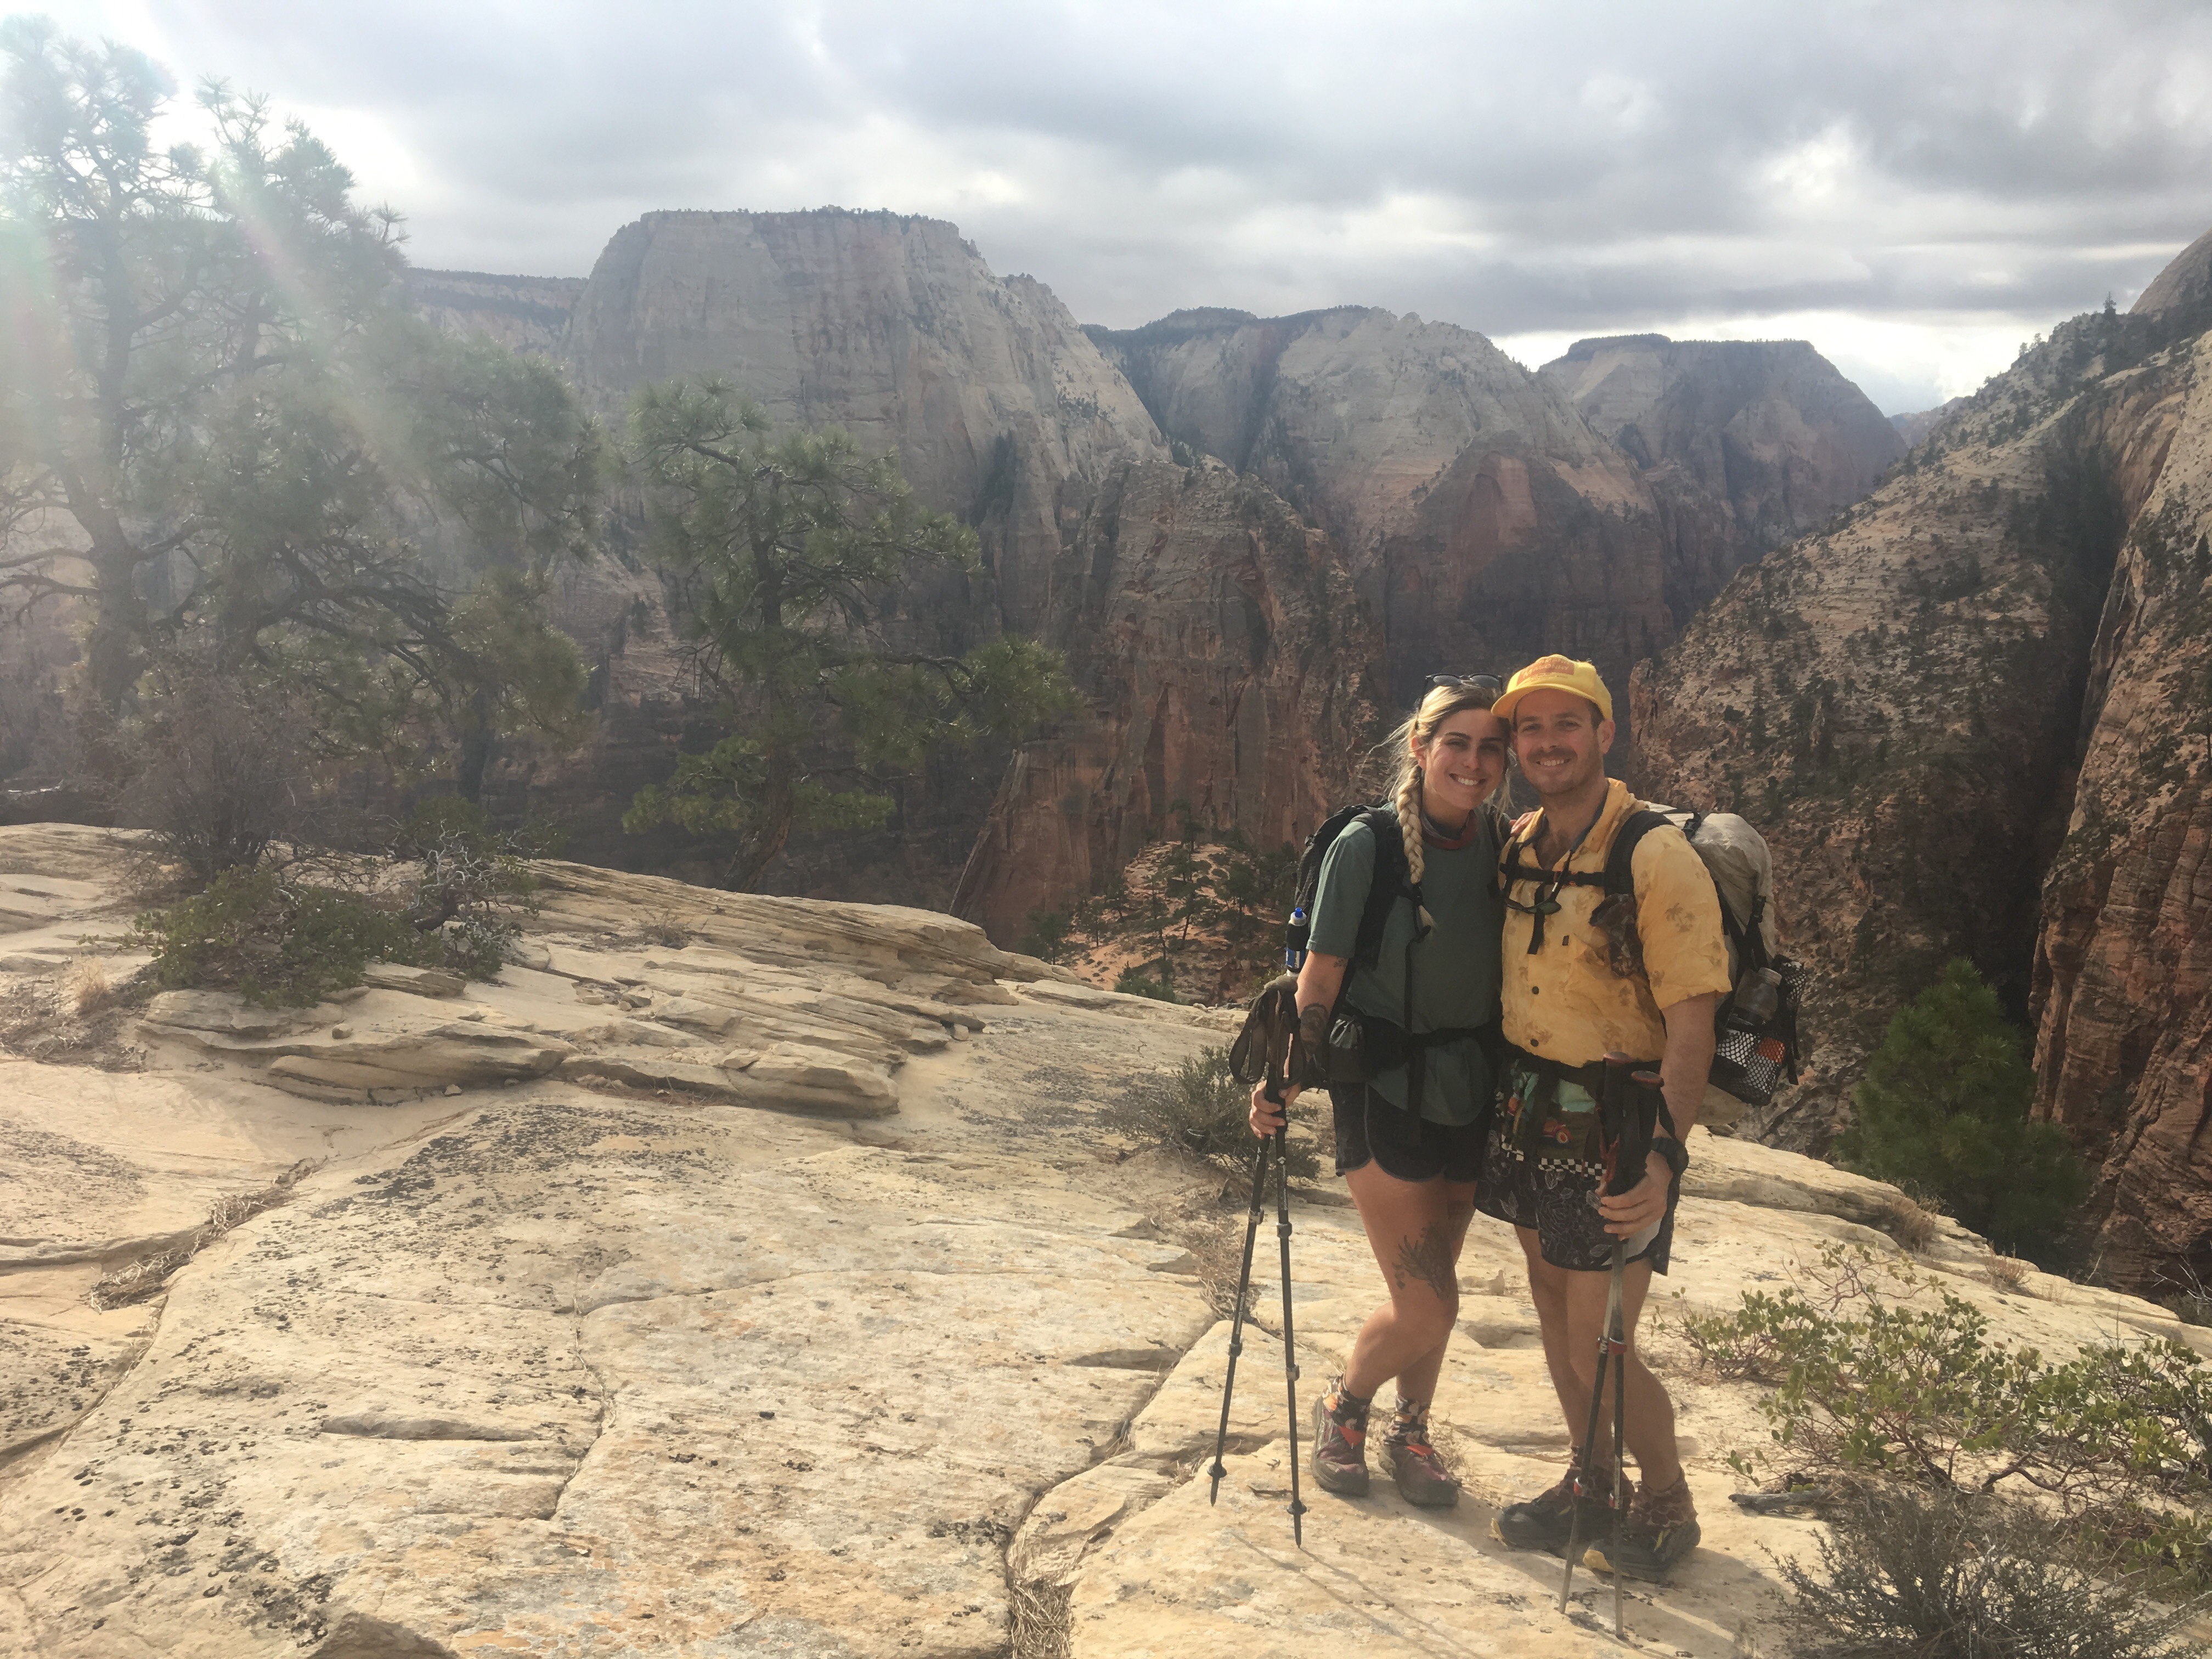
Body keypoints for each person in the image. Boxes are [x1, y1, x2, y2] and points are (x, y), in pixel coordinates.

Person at [1476, 654, 1731, 1581]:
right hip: (1529, 1108)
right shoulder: (1521, 845)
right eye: (1530, 729)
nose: (1547, 743)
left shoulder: (1653, 856)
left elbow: (1693, 1021)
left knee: (1603, 1336)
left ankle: (1666, 1499)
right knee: (1553, 1309)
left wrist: (1664, 1157)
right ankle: (1591, 1478)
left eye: (1566, 724)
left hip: (1616, 1124)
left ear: (1604, 733)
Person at [1248, 677, 1508, 1509]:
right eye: (1456, 744)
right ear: (1420, 748)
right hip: (1384, 1089)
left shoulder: (1498, 840)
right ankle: (1345, 1406)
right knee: (1428, 1304)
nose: (1473, 763)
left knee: (1437, 1290)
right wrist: (1285, 1076)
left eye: (1490, 748)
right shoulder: (1368, 846)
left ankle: (1412, 1430)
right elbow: (1320, 974)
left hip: (1471, 1088)